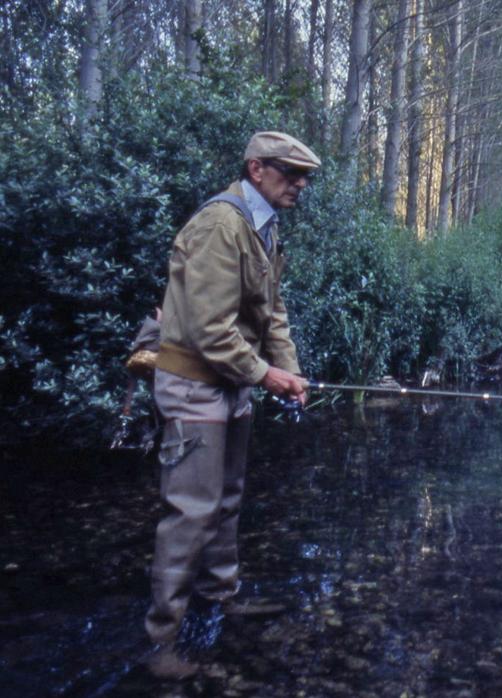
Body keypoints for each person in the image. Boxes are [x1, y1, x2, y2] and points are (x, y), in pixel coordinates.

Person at [144, 131, 318, 679]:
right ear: (256, 169)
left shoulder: (262, 225)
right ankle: (160, 645)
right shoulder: (222, 224)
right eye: (290, 173)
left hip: (232, 387)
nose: (300, 183)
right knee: (189, 514)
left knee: (228, 499)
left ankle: (219, 600)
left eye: (304, 175)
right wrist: (266, 374)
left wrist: (286, 370)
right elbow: (209, 330)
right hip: (193, 385)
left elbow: (273, 312)